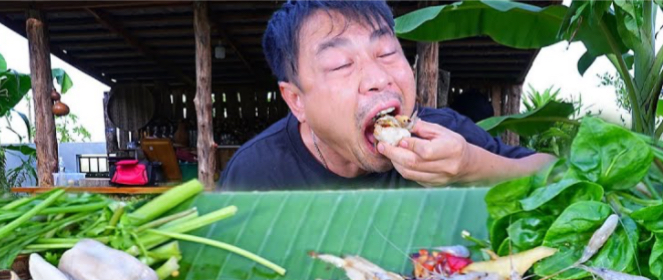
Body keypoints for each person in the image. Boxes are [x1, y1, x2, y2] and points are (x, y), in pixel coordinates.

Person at [219, 0, 554, 191]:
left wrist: (471, 165)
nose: (378, 78)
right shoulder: (254, 173)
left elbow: (555, 171)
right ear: (296, 101)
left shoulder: (447, 134)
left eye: (386, 52)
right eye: (340, 64)